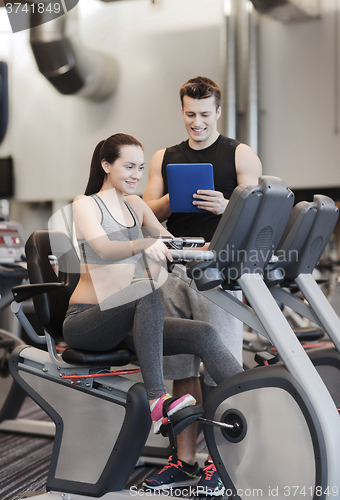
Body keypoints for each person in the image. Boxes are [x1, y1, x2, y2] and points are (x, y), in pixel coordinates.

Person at [62, 132, 244, 438]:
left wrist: (226, 246)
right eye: (129, 167)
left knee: (204, 333)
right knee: (146, 288)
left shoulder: (136, 205)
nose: (136, 175)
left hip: (131, 324)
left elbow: (175, 247)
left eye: (141, 168)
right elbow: (104, 247)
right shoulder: (86, 204)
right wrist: (145, 243)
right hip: (88, 321)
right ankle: (158, 401)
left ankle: (256, 399)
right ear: (106, 165)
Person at [142, 77, 262, 494]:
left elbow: (259, 212)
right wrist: (173, 200)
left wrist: (227, 205)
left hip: (219, 265)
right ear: (183, 112)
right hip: (175, 265)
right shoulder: (165, 156)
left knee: (220, 366)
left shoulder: (240, 153)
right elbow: (146, 209)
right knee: (180, 368)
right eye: (190, 115)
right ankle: (186, 461)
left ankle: (224, 464)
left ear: (218, 111)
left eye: (205, 115)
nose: (197, 123)